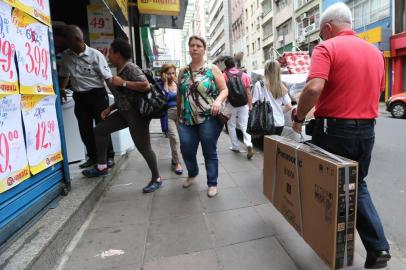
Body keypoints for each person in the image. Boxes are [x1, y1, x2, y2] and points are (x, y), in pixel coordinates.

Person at [292, 3, 391, 269]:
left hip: (334, 130)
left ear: (327, 28)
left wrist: (299, 117)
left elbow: (313, 87)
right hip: (366, 130)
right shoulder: (375, 53)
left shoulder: (327, 47)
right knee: (357, 185)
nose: (321, 39)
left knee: (326, 183)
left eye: (322, 33)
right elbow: (367, 91)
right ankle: (377, 248)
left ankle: (331, 241)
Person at [82, 38, 162, 194]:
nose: (108, 55)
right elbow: (125, 96)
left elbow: (145, 85)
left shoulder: (130, 68)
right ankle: (102, 166)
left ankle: (157, 178)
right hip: (122, 113)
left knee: (144, 148)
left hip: (136, 115)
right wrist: (110, 108)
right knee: (99, 130)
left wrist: (123, 83)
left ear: (118, 54)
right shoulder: (118, 70)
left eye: (110, 52)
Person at [177, 36, 228, 198]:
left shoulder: (211, 69)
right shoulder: (183, 71)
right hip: (186, 118)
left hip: (208, 117)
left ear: (204, 49)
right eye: (192, 45)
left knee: (209, 150)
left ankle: (212, 183)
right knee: (186, 148)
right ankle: (192, 172)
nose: (195, 48)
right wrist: (178, 116)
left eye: (198, 45)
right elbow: (180, 95)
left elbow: (224, 90)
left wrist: (218, 102)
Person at [59, 25, 115, 169]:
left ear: (77, 40)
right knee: (84, 129)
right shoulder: (66, 55)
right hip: (80, 97)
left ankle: (109, 156)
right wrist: (61, 89)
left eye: (69, 41)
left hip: (97, 96)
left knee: (102, 126)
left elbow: (108, 78)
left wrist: (118, 97)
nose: (67, 45)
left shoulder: (95, 55)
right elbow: (65, 74)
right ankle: (93, 157)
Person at [222, 56, 254, 159]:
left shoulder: (224, 76)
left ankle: (235, 146)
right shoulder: (244, 75)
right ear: (235, 64)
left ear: (226, 65)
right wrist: (250, 105)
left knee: (231, 125)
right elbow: (248, 92)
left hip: (231, 104)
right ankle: (248, 144)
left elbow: (224, 92)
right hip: (243, 104)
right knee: (244, 126)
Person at [252, 60, 292, 137]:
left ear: (266, 70)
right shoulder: (281, 86)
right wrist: (279, 111)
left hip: (265, 122)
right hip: (279, 123)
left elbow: (255, 103)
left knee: (267, 147)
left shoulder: (259, 84)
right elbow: (289, 106)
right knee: (275, 147)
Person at [157, 64, 183, 175]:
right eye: (168, 73)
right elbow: (164, 98)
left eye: (173, 73)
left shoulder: (178, 83)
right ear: (163, 74)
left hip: (180, 114)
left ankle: (174, 158)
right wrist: (166, 83)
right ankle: (177, 163)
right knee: (174, 138)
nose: (171, 75)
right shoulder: (160, 85)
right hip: (168, 114)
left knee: (182, 139)